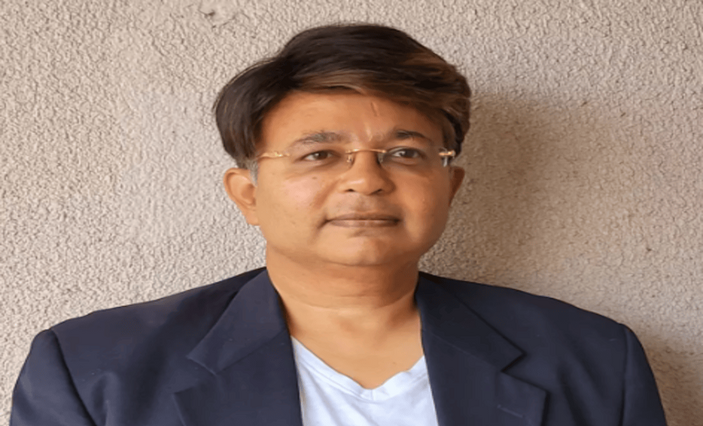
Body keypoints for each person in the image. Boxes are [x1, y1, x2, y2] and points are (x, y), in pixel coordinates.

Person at [11, 24, 667, 426]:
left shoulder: (591, 359)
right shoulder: (95, 370)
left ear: (449, 186)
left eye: (404, 153)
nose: (366, 180)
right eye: (320, 154)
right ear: (248, 194)